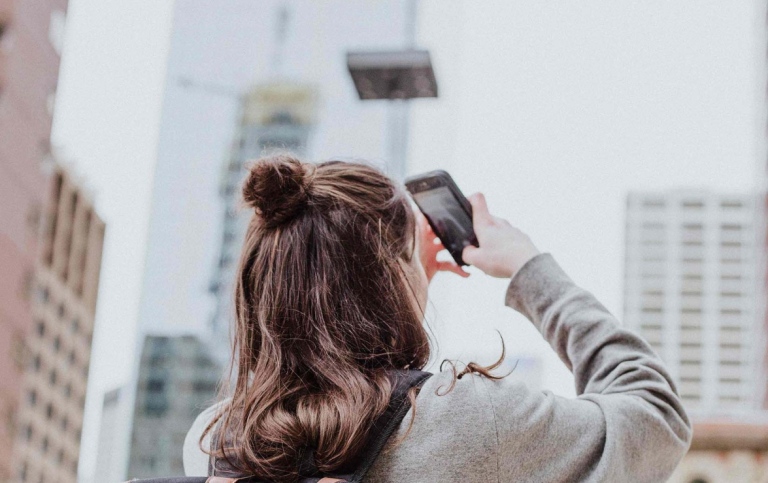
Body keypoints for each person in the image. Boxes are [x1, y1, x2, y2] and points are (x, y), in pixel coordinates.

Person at [183, 155, 691, 482]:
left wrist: (407, 275)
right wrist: (527, 268)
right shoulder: (467, 419)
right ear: (388, 278)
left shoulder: (213, 440)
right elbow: (655, 417)